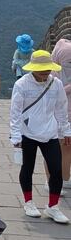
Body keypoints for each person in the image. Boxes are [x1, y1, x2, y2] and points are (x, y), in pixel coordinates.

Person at [10, 50, 71, 223]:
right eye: (41, 69)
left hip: (50, 132)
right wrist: (15, 136)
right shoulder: (22, 84)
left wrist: (65, 130)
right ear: (33, 68)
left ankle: (53, 206)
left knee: (56, 170)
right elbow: (15, 111)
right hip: (27, 132)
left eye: (47, 69)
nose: (45, 72)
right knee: (27, 168)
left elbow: (61, 108)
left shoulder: (56, 83)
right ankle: (29, 202)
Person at [50, 39, 71, 194]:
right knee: (58, 147)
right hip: (59, 114)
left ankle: (65, 177)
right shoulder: (52, 74)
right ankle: (55, 180)